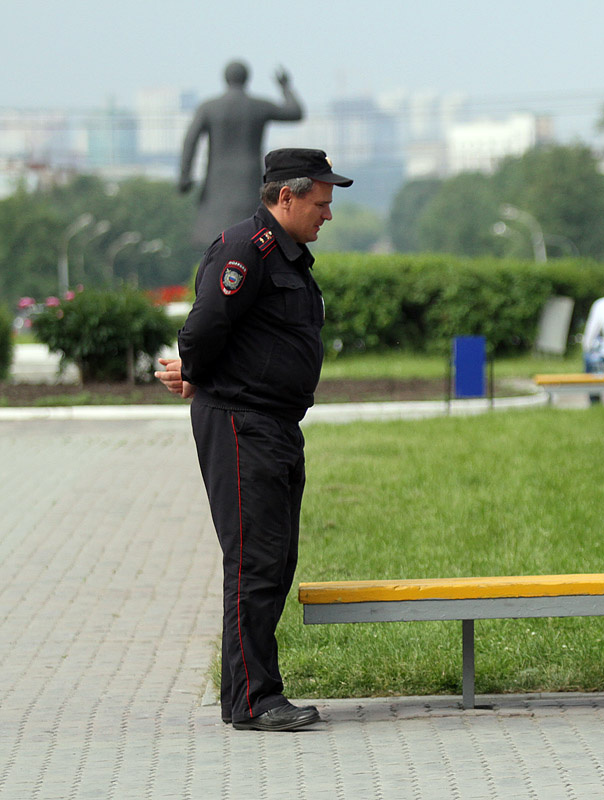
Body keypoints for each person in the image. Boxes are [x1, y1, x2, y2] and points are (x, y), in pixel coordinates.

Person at [155, 148, 352, 732]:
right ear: (285, 196)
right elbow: (206, 325)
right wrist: (198, 375)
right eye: (320, 202)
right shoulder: (247, 248)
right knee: (253, 564)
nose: (328, 214)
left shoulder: (287, 254)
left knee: (275, 560)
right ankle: (252, 701)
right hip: (242, 424)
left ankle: (259, 692)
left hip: (273, 425)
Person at [179, 60, 304, 247]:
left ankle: (218, 272)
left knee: (215, 237)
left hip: (217, 180)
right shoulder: (258, 106)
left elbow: (190, 141)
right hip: (249, 179)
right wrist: (285, 87)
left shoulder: (209, 107)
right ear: (247, 78)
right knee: (251, 232)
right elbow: (295, 112)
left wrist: (185, 177)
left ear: (225, 78)